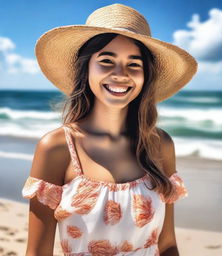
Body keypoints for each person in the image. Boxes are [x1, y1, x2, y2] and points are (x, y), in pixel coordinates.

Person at [22, 3, 197, 256]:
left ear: (145, 76)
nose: (120, 74)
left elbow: (167, 244)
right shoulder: (57, 147)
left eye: (134, 64)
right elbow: (37, 253)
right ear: (86, 68)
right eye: (106, 60)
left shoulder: (160, 145)